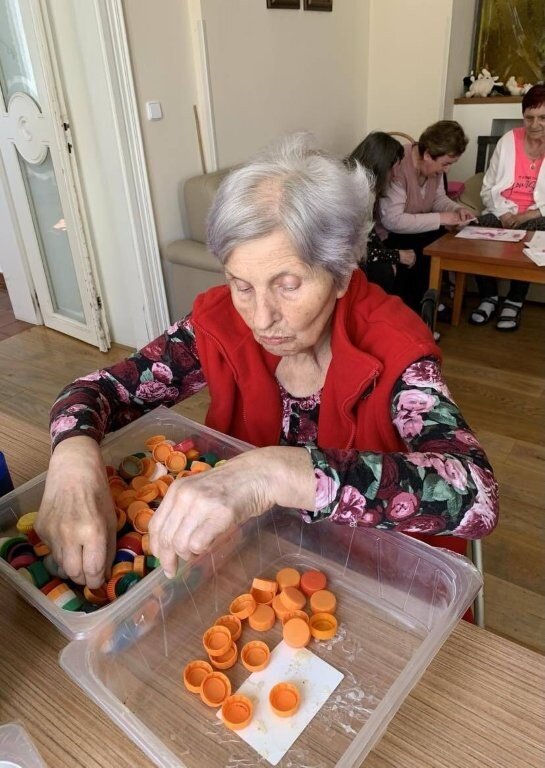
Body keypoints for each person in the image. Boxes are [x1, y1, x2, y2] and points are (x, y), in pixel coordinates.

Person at [35, 133, 498, 590]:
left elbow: (475, 494)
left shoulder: (394, 347)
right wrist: (74, 461)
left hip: (380, 580)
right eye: (242, 285)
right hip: (256, 562)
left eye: (288, 285)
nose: (261, 319)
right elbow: (97, 391)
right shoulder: (219, 321)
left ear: (341, 274)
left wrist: (274, 472)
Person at [470, 84, 545, 331]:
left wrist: (527, 215)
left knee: (535, 232)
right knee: (478, 229)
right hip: (502, 209)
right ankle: (489, 296)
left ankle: (515, 299)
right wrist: (503, 213)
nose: (535, 124)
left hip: (537, 213)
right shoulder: (508, 141)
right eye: (529, 117)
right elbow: (488, 187)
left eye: (543, 118)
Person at [379, 121, 475, 311]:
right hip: (391, 234)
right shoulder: (398, 165)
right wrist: (442, 218)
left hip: (417, 228)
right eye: (445, 164)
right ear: (428, 155)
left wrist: (456, 209)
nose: (447, 170)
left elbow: (438, 199)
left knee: (446, 239)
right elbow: (393, 220)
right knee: (424, 246)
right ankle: (413, 309)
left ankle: (428, 302)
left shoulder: (434, 169)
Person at [345, 132, 416, 294]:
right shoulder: (358, 194)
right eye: (394, 169)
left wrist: (390, 255)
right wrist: (394, 256)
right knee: (384, 271)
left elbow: (367, 234)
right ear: (382, 166)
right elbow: (356, 250)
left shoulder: (361, 185)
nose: (396, 175)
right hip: (341, 256)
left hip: (351, 250)